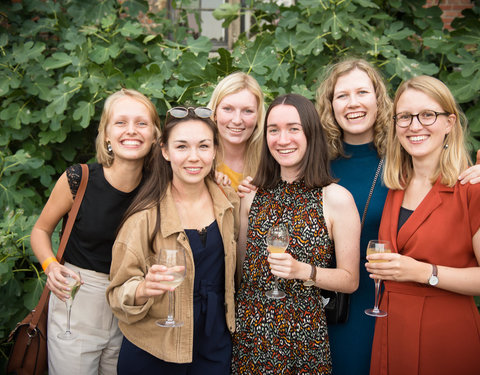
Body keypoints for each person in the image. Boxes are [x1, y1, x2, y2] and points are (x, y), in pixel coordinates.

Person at [314, 58, 480, 375]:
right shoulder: (318, 165)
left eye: (362, 91)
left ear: (380, 101)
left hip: (396, 314)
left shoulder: (403, 162)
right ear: (329, 104)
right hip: (330, 310)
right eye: (341, 95)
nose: (352, 103)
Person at [30, 88, 161, 374]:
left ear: (154, 135)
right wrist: (50, 266)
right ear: (106, 135)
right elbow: (40, 230)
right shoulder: (80, 179)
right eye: (121, 122)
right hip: (78, 298)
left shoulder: (159, 188)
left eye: (141, 123)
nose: (132, 131)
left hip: (132, 303)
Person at [232, 94, 360, 374]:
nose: (282, 139)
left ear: (311, 133)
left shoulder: (336, 198)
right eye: (273, 130)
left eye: (293, 128)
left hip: (303, 336)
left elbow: (350, 281)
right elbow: (242, 273)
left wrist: (304, 270)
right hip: (250, 335)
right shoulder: (251, 195)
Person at [106, 107, 239, 374]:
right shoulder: (143, 217)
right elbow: (116, 293)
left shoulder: (229, 202)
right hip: (156, 348)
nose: (194, 157)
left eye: (203, 146)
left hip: (214, 344)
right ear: (165, 151)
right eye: (182, 146)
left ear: (214, 151)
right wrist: (143, 288)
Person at [366, 75, 480, 375]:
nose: (414, 125)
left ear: (449, 122)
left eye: (427, 114)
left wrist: (422, 272)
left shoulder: (472, 188)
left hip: (446, 336)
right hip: (391, 329)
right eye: (404, 117)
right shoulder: (395, 186)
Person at [208, 71, 265, 190]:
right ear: (215, 113)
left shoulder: (269, 159)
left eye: (248, 111)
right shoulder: (199, 158)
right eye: (228, 109)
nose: (237, 120)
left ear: (258, 117)